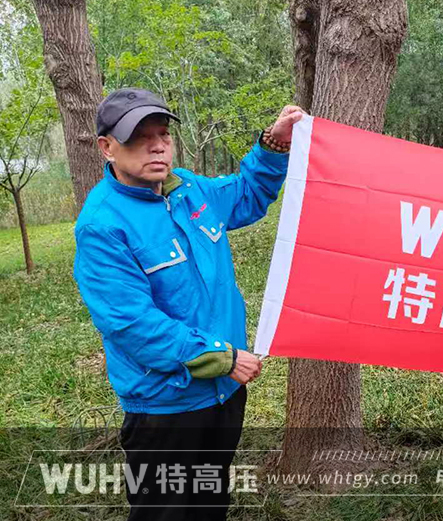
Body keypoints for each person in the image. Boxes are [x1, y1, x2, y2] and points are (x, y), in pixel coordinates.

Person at [73, 87, 303, 520]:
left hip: (224, 393)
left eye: (163, 134)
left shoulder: (189, 190)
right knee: (164, 511)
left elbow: (247, 193)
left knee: (209, 501)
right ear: (107, 147)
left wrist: (275, 143)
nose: (157, 145)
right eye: (139, 137)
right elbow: (132, 324)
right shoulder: (103, 225)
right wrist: (221, 357)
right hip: (166, 406)